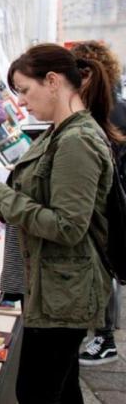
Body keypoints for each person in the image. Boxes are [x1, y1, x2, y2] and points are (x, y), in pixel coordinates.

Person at [0, 44, 118, 404]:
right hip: (54, 285)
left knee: (36, 399)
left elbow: (67, 225)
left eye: (25, 90)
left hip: (63, 291)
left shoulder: (77, 140)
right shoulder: (63, 132)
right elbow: (42, 200)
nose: (22, 101)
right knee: (59, 392)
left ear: (52, 82)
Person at [71, 40, 126, 366]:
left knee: (104, 268)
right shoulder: (111, 107)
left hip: (108, 201)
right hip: (110, 198)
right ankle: (103, 333)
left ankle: (104, 338)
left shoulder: (107, 111)